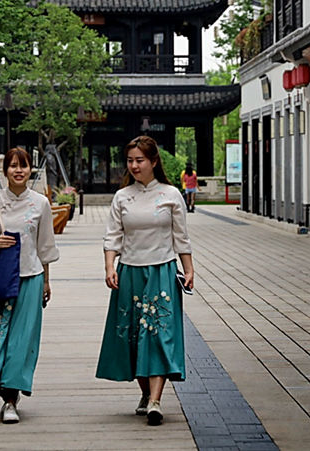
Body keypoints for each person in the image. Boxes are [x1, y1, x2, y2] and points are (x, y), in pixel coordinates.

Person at [96, 135, 194, 426]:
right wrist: (109, 266)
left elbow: (181, 237)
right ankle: (144, 393)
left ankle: (155, 400)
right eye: (130, 161)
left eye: (140, 160)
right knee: (132, 335)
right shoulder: (122, 196)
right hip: (130, 272)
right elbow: (113, 235)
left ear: (153, 161)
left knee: (159, 333)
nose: (135, 166)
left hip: (162, 271)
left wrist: (188, 270)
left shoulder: (171, 194)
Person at [0, 147, 60, 424]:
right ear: (5, 170)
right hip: (0, 279)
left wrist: (46, 280)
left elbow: (45, 246)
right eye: (13, 166)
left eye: (23, 166)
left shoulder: (40, 203)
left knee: (22, 340)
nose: (18, 171)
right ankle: (4, 392)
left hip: (31, 278)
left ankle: (11, 399)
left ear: (31, 169)